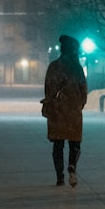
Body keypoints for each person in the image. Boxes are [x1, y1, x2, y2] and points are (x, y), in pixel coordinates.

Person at [43, 35, 88, 187]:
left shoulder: (54, 66)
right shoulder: (77, 68)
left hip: (58, 110)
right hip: (73, 110)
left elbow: (48, 89)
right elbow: (83, 90)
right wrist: (79, 104)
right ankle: (72, 167)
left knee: (58, 144)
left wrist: (51, 103)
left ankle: (59, 176)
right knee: (75, 142)